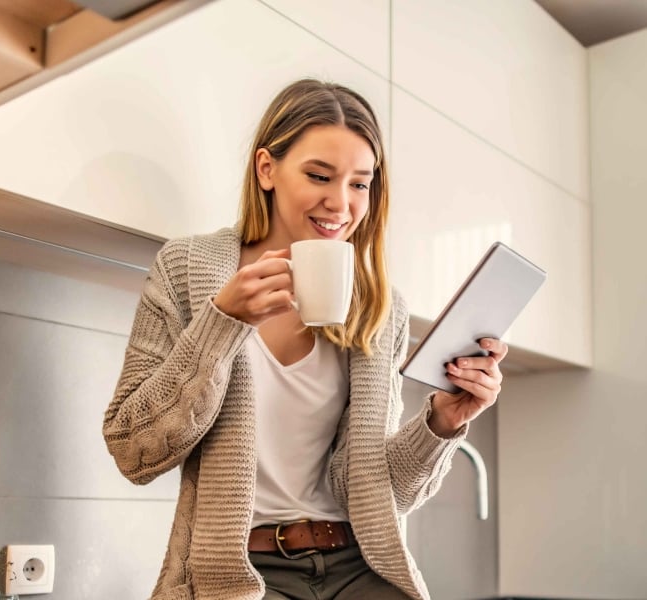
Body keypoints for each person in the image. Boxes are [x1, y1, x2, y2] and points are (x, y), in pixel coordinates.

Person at [102, 78, 507, 600]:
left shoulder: (382, 308)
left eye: (360, 184)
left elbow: (366, 490)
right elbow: (133, 453)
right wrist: (222, 321)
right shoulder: (189, 270)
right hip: (243, 573)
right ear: (267, 169)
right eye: (320, 175)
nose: (340, 204)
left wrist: (442, 423)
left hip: (359, 567)